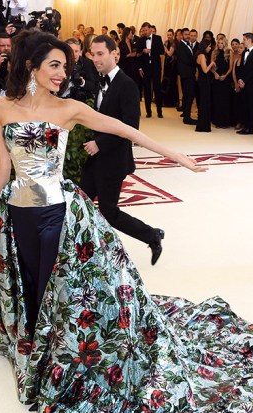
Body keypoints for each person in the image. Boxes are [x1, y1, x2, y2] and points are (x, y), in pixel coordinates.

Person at [0, 29, 253, 413]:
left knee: (54, 289)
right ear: (31, 66)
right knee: (28, 285)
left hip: (58, 217)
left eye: (67, 65)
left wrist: (175, 155)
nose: (64, 73)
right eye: (56, 65)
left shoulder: (69, 109)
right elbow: (4, 164)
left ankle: (53, 368)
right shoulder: (2, 107)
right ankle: (35, 351)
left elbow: (126, 129)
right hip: (17, 215)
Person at [81, 35, 164, 265]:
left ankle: (152, 235)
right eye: (93, 54)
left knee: (109, 211)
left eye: (100, 54)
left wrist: (101, 143)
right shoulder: (98, 81)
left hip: (113, 160)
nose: (96, 59)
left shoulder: (127, 85)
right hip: (94, 159)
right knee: (80, 202)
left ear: (114, 53)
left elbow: (130, 128)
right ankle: (87, 253)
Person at [235, 32, 253, 135]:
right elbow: (240, 68)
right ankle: (245, 125)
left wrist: (245, 81)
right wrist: (240, 79)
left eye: (244, 40)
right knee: (244, 104)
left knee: (250, 105)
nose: (243, 42)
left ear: (249, 40)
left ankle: (250, 128)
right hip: (243, 83)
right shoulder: (244, 52)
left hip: (251, 83)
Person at [177, 27, 197, 125]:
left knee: (187, 95)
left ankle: (186, 114)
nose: (188, 36)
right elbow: (187, 60)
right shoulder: (181, 46)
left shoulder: (186, 45)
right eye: (186, 34)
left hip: (187, 73)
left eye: (188, 34)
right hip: (187, 74)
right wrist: (197, 61)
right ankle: (187, 117)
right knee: (189, 95)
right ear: (181, 35)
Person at [211, 36, 232, 128]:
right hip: (216, 79)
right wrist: (215, 73)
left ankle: (224, 122)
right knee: (217, 100)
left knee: (225, 101)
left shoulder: (229, 52)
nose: (220, 45)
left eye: (222, 43)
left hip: (225, 79)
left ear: (225, 43)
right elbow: (211, 66)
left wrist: (225, 75)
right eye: (218, 43)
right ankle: (217, 121)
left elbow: (231, 67)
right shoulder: (214, 52)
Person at [195, 39, 215, 132]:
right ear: (205, 46)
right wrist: (211, 63)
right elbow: (205, 70)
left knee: (204, 102)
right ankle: (203, 126)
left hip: (202, 81)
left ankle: (203, 125)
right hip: (204, 82)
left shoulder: (200, 55)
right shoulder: (202, 56)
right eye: (209, 46)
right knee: (204, 103)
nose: (210, 48)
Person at [161, 28, 178, 107]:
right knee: (165, 80)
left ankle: (171, 101)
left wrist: (165, 47)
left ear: (173, 35)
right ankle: (164, 100)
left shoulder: (174, 43)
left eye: (170, 35)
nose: (169, 36)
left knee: (170, 82)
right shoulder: (166, 42)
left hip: (172, 65)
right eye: (168, 35)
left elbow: (169, 53)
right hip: (167, 64)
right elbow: (164, 53)